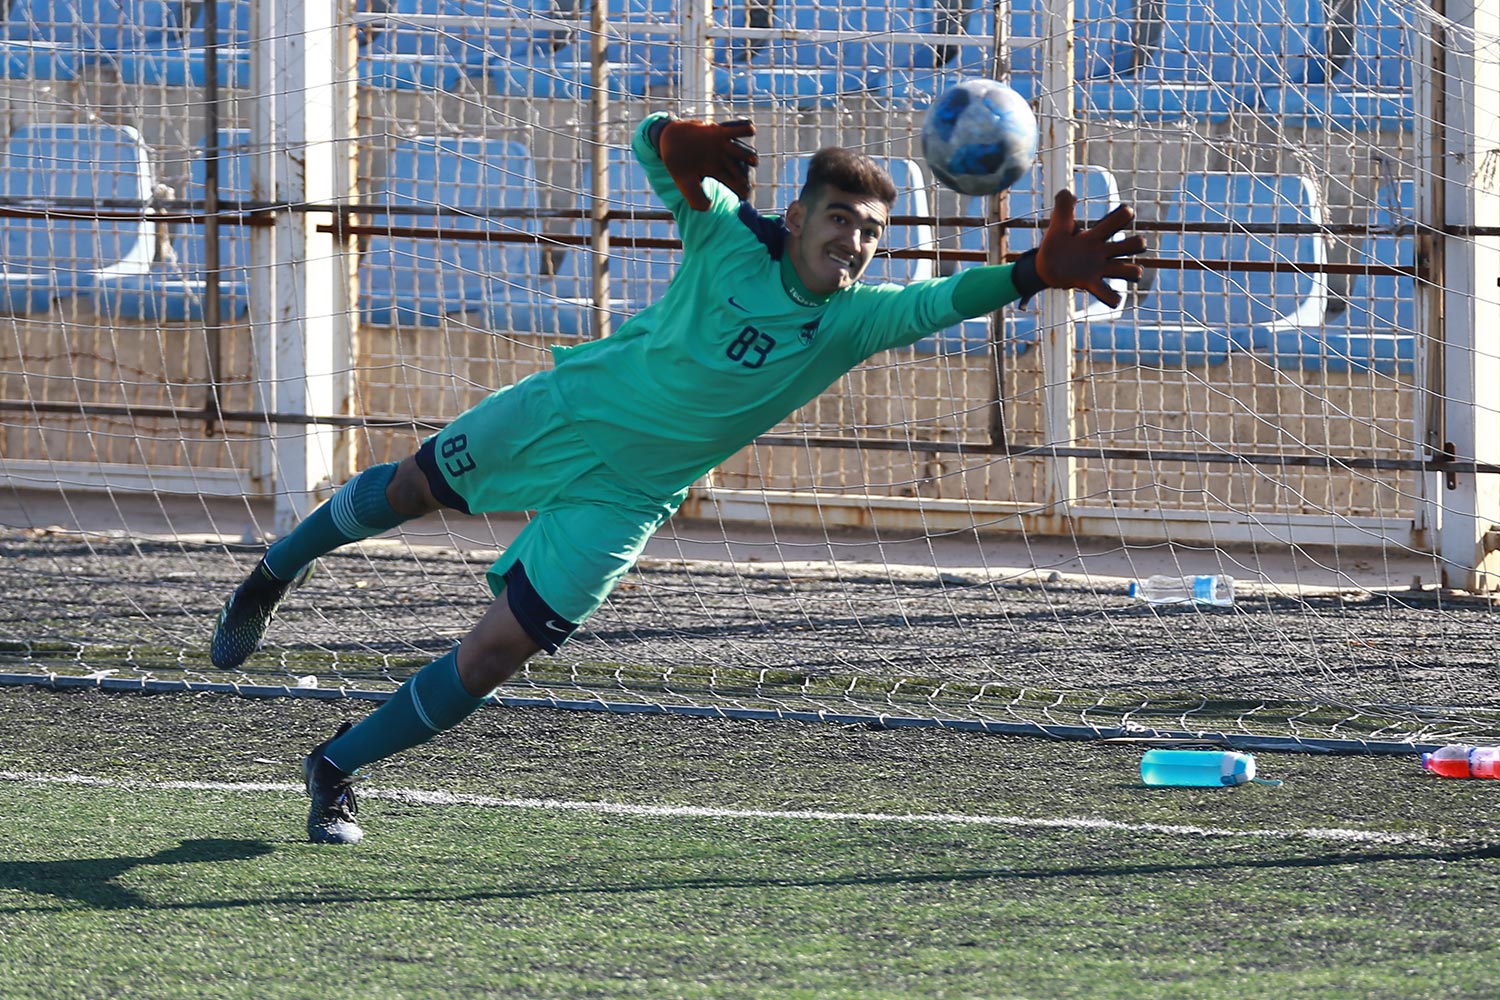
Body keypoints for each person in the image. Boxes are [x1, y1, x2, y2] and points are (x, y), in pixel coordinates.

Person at [210, 111, 1147, 845]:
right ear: (796, 217)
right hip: (565, 412)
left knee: (497, 656)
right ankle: (270, 576)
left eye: (871, 234)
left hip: (630, 498)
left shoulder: (857, 320)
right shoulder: (729, 236)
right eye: (841, 220)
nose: (856, 244)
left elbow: (948, 298)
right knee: (410, 491)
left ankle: (333, 768)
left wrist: (1031, 271)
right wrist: (670, 137)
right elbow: (656, 155)